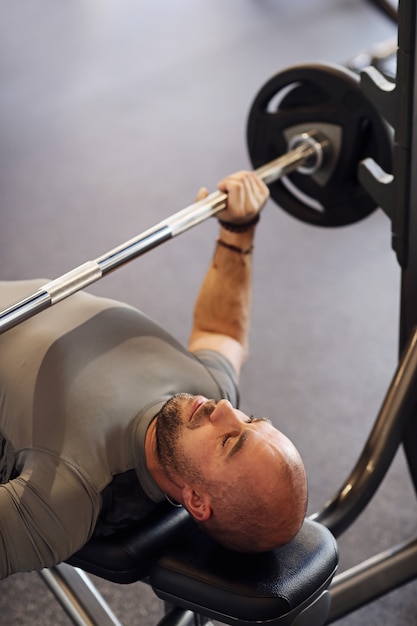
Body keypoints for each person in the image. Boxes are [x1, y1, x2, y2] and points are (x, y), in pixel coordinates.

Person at [0, 171, 307, 580]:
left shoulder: (72, 495)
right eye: (252, 418)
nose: (228, 410)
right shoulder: (207, 389)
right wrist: (238, 230)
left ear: (197, 501)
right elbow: (222, 332)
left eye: (231, 441)